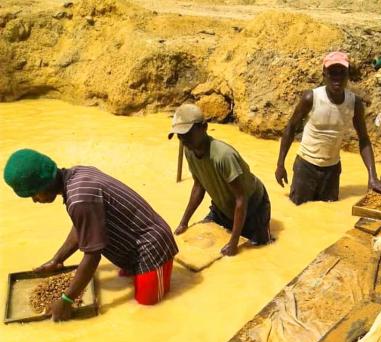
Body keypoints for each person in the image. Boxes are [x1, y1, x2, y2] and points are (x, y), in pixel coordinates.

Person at [3, 149, 178, 321]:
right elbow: (82, 226)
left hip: (152, 248)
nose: (35, 200)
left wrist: (66, 299)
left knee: (147, 309)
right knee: (124, 283)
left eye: (33, 194)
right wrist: (57, 259)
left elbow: (93, 256)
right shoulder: (78, 174)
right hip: (132, 248)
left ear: (43, 184)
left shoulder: (79, 199)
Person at [275, 51, 381, 205]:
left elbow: (363, 139)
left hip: (332, 170)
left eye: (342, 72)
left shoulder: (354, 103)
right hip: (305, 167)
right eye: (332, 72)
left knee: (328, 210)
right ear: (324, 74)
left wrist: (372, 177)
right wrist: (280, 164)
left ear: (348, 75)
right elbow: (290, 129)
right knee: (299, 210)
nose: (337, 77)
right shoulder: (311, 98)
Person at [169, 104, 271, 256]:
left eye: (187, 134)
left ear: (204, 127)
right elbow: (199, 186)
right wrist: (184, 222)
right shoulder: (189, 150)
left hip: (252, 208)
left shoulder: (223, 155)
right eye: (180, 136)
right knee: (199, 240)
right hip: (222, 207)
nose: (183, 140)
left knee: (258, 252)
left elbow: (241, 199)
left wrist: (234, 242)